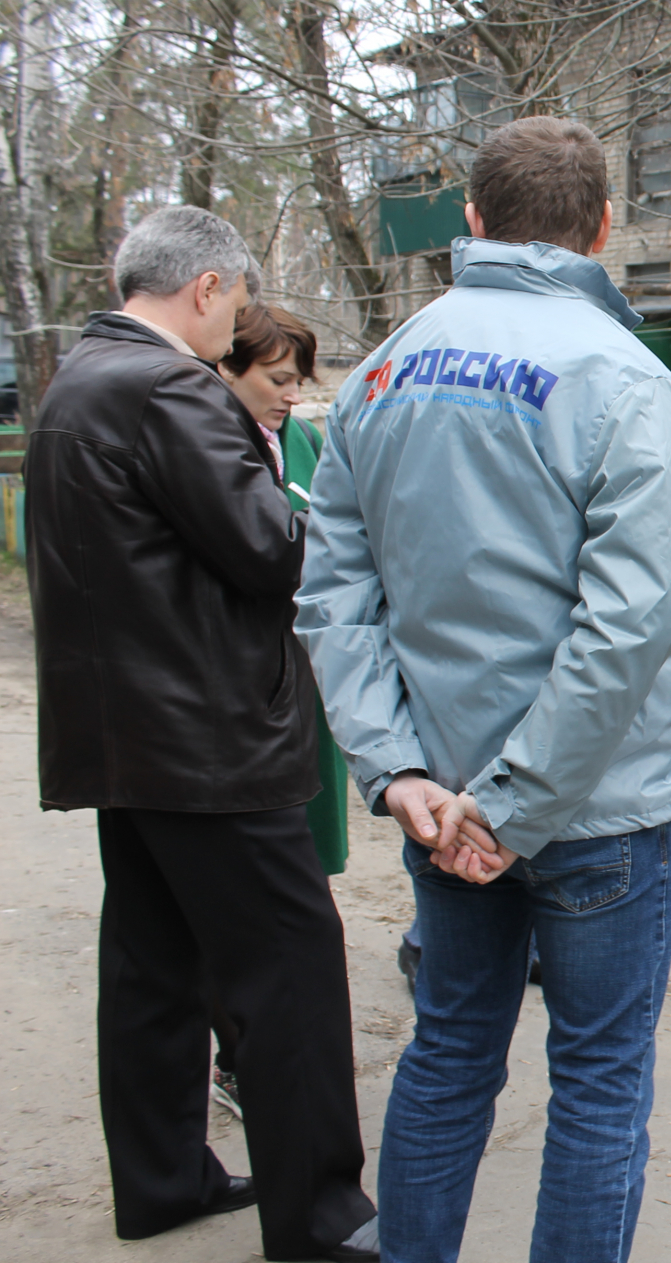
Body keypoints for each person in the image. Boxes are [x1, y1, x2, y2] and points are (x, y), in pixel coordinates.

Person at [296, 116, 671, 1263]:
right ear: (602, 230)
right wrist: (512, 808)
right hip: (595, 810)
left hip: (447, 801)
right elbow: (627, 622)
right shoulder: (626, 375)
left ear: (472, 221)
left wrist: (398, 772)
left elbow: (334, 595)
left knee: (451, 1051)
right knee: (601, 1085)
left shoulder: (381, 368)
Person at [27, 205, 378, 1261]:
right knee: (291, 968)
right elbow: (270, 549)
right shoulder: (169, 387)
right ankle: (321, 1216)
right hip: (211, 740)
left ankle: (163, 1176)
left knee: (152, 965)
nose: (238, 330)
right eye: (236, 304)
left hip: (122, 735)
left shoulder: (78, 380)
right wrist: (340, 514)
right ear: (209, 288)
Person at [203, 305, 353, 1122]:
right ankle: (241, 1054)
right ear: (227, 369)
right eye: (276, 379)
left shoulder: (299, 440)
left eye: (299, 380)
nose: (291, 396)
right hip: (245, 696)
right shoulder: (205, 440)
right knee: (253, 896)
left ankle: (256, 1047)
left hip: (306, 679)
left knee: (304, 863)